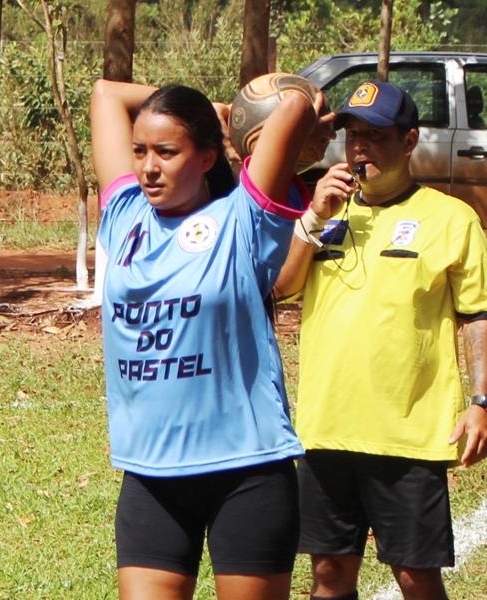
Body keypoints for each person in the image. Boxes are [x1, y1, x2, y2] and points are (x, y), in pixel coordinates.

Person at [89, 78, 334, 600]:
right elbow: (107, 94)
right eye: (139, 151)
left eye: (167, 151)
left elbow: (294, 105)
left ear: (206, 157)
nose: (148, 167)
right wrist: (205, 105)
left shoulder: (243, 219)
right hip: (151, 476)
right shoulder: (124, 215)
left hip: (246, 472)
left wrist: (238, 119)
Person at [274, 80, 487, 600]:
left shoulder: (451, 219)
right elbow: (282, 290)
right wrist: (312, 220)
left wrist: (482, 402)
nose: (359, 148)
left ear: (409, 140)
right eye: (352, 135)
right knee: (329, 576)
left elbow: (477, 314)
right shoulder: (323, 214)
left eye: (375, 136)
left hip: (409, 434)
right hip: (326, 428)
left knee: (416, 577)